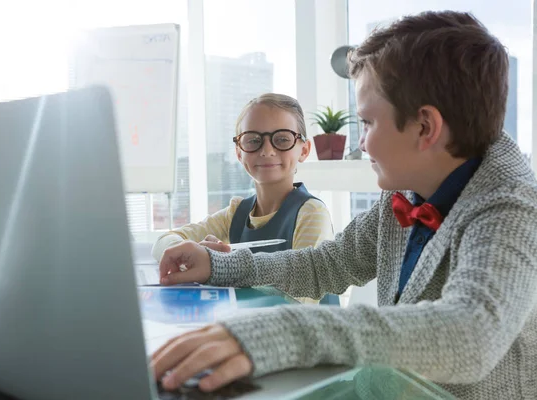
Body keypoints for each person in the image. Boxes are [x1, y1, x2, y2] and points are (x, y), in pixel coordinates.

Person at [151, 11, 537, 400]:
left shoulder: (513, 208)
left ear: (425, 127)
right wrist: (220, 263)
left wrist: (285, 332)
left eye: (368, 123)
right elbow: (328, 264)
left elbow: (469, 336)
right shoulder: (406, 189)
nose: (363, 142)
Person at [151, 93, 333, 261]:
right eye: (253, 140)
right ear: (239, 152)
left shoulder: (311, 214)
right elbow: (162, 243)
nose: (267, 151)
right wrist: (194, 251)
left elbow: (300, 293)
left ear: (304, 150)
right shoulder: (236, 213)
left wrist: (219, 267)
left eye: (282, 139)